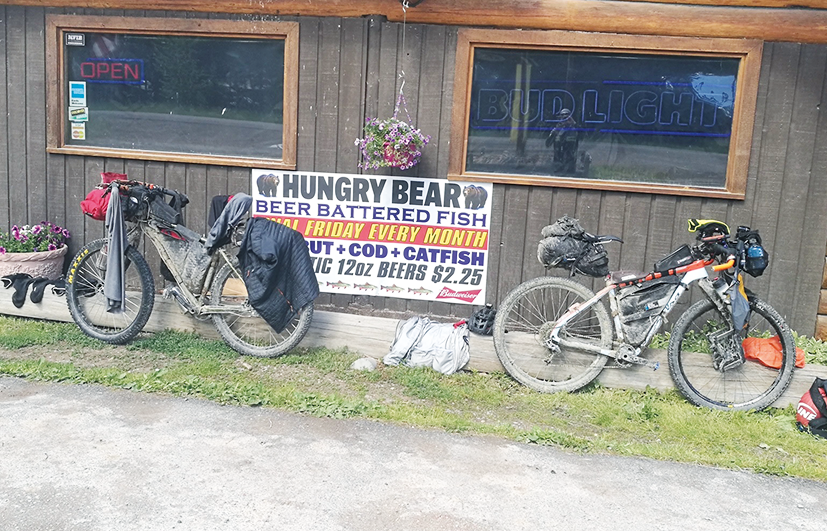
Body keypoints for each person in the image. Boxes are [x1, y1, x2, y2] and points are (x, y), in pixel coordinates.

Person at [545, 109, 581, 175]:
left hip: (570, 167)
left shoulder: (575, 130)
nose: (565, 119)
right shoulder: (556, 130)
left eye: (567, 117)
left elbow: (585, 137)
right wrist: (556, 131)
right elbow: (547, 144)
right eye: (562, 117)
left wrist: (574, 124)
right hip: (557, 167)